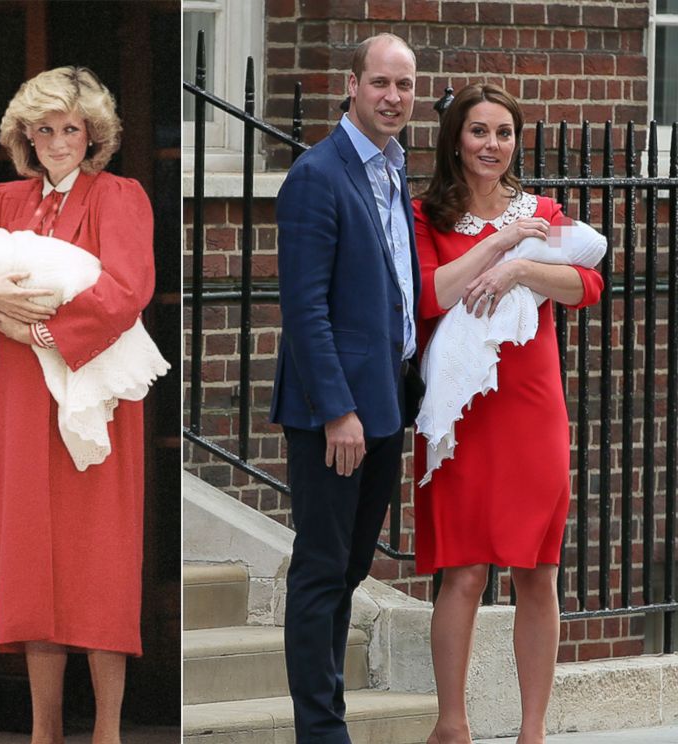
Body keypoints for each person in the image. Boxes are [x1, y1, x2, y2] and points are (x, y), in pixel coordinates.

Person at [0, 66, 154, 744]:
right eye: (44, 129)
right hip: (20, 397)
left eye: (71, 129)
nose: (58, 142)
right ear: (26, 135)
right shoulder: (3, 201)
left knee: (100, 557)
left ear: (93, 134)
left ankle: (107, 730)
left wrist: (43, 330)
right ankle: (42, 730)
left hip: (94, 391)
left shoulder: (119, 195)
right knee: (30, 558)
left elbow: (128, 289)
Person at [412, 83, 604, 744]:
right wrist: (496, 250)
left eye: (503, 132)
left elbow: (588, 282)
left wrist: (523, 270)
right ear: (455, 140)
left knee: (537, 569)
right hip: (464, 408)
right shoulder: (425, 215)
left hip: (531, 405)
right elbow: (430, 297)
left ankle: (532, 732)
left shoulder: (539, 212)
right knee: (463, 570)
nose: (492, 145)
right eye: (478, 131)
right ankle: (452, 724)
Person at [269, 34, 421, 744]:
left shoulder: (394, 171)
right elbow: (304, 308)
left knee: (352, 565)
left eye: (406, 85)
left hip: (385, 406)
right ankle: (321, 730)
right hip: (338, 415)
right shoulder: (317, 175)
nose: (394, 97)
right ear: (352, 85)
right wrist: (337, 411)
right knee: (323, 568)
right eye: (382, 83)